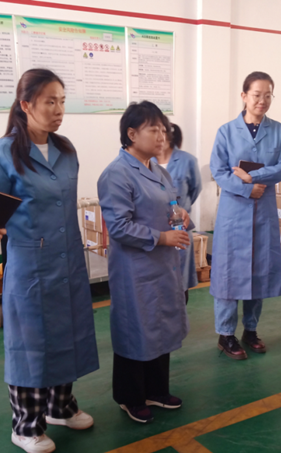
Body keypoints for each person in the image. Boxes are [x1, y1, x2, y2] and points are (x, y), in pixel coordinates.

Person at [0, 68, 99, 453]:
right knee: (30, 343)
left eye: (62, 101)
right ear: (26, 105)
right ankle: (26, 426)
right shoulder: (2, 153)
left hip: (68, 258)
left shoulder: (66, 150)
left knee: (67, 332)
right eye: (49, 102)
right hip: (30, 264)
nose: (58, 110)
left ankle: (61, 407)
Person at [98, 100, 190, 424]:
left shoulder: (159, 170)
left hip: (162, 266)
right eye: (154, 129)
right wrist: (162, 237)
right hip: (135, 269)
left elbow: (170, 206)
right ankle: (130, 397)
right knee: (135, 330)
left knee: (159, 327)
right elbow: (119, 227)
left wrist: (180, 216)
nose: (162, 136)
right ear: (132, 134)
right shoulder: (117, 174)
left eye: (164, 129)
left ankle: (156, 390)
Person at [209, 71, 281, 360]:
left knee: (258, 271)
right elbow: (219, 171)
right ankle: (226, 334)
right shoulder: (226, 132)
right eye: (257, 95)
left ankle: (251, 330)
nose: (262, 100)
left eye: (268, 95)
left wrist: (252, 176)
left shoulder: (279, 131)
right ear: (244, 96)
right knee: (229, 273)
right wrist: (247, 188)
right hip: (234, 212)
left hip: (263, 212)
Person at [153, 123, 202, 303]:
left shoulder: (188, 160)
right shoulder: (147, 161)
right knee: (158, 278)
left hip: (180, 225)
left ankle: (180, 314)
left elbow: (195, 189)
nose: (158, 138)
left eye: (161, 133)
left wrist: (182, 208)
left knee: (180, 279)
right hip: (155, 226)